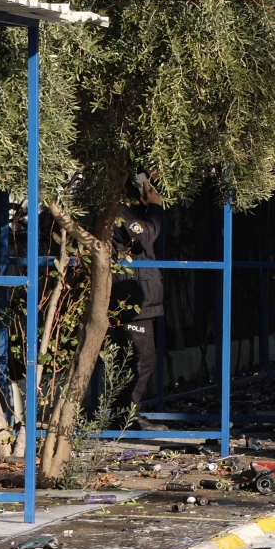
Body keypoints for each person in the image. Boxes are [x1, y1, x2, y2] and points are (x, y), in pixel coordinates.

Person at [109, 172, 165, 422]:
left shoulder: (130, 210)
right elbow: (145, 236)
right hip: (130, 299)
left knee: (144, 358)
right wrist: (155, 208)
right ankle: (125, 417)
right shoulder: (119, 209)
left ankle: (129, 413)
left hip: (140, 299)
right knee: (136, 359)